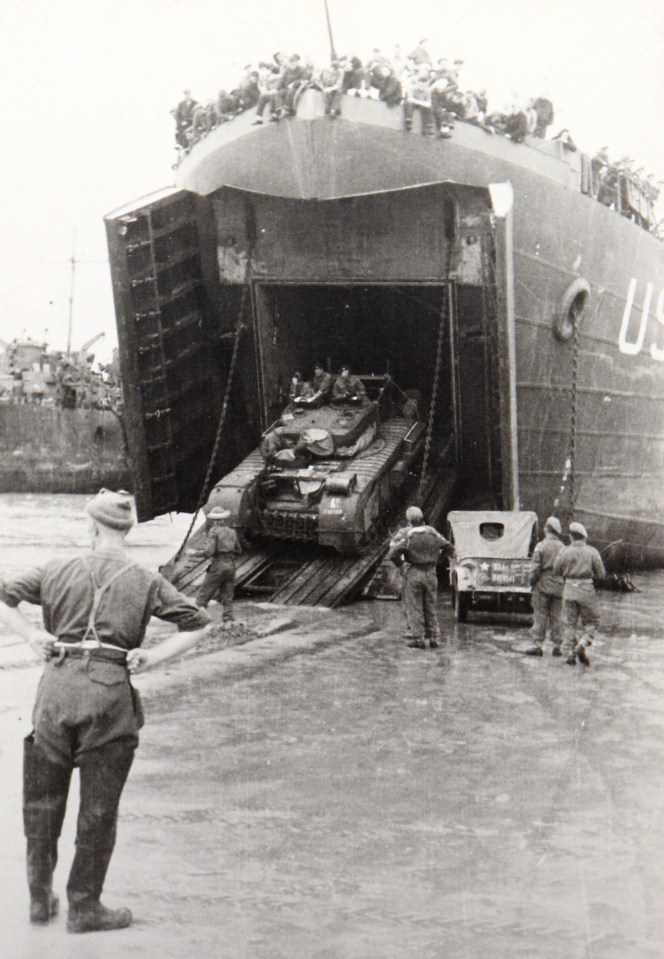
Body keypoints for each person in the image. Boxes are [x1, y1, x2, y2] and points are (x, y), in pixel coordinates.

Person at [0, 489, 211, 933]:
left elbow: (3, 596)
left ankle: (39, 900)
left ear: (91, 527)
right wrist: (153, 658)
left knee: (41, 801)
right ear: (127, 531)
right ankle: (84, 906)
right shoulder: (145, 580)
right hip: (110, 697)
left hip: (55, 691)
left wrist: (29, 636)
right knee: (99, 808)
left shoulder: (56, 568)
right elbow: (199, 624)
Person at [388, 506, 450, 649]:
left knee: (414, 605)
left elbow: (392, 551)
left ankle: (418, 637)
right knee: (430, 604)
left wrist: (402, 565)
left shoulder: (405, 533)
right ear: (422, 519)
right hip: (431, 571)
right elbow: (448, 547)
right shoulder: (432, 532)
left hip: (413, 571)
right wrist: (438, 560)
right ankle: (434, 637)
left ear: (408, 520)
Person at [553, 521, 606, 666]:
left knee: (569, 624)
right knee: (593, 622)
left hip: (569, 589)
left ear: (571, 537)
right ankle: (581, 646)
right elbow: (602, 574)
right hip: (586, 590)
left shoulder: (564, 551)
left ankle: (570, 652)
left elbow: (556, 570)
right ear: (584, 537)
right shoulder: (592, 552)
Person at [525, 516, 564, 657]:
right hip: (559, 587)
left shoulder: (540, 546)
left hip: (542, 586)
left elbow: (535, 569)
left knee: (540, 616)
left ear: (547, 529)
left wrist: (531, 583)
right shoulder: (563, 548)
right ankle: (557, 646)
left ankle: (537, 645)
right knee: (557, 617)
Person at [195, 507, 242, 622]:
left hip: (218, 566)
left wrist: (195, 554)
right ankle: (228, 620)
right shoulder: (232, 532)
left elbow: (209, 552)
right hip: (230, 566)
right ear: (224, 519)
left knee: (203, 596)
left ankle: (197, 621)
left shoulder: (213, 531)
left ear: (214, 520)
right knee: (227, 597)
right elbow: (239, 550)